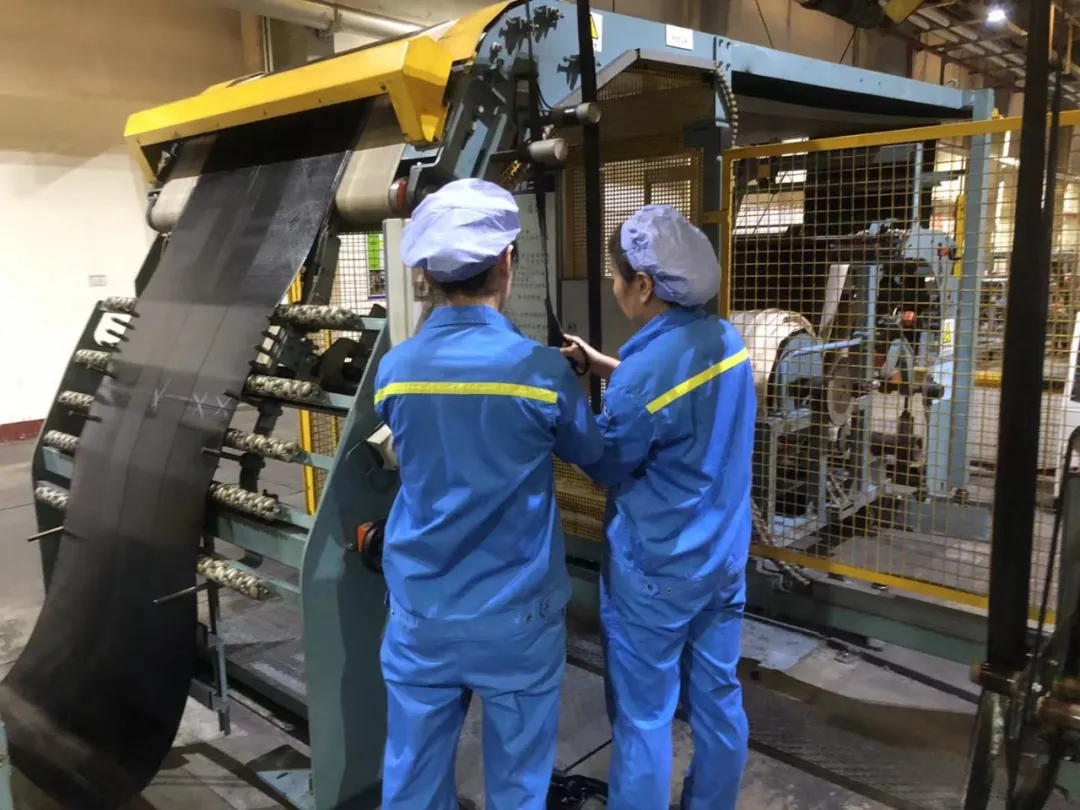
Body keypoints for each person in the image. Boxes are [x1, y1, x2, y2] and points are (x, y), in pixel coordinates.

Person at [374, 178, 605, 810]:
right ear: (507, 262)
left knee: (412, 779)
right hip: (515, 618)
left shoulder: (394, 371)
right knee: (518, 784)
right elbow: (598, 457)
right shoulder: (543, 374)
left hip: (421, 611)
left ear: (428, 275)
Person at [563, 205, 756, 810]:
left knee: (645, 717)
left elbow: (606, 462)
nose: (614, 285)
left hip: (658, 574)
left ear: (643, 285)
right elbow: (678, 397)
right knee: (718, 699)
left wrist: (565, 414)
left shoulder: (645, 377)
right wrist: (603, 365)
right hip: (722, 560)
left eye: (617, 276)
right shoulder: (727, 341)